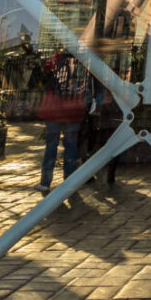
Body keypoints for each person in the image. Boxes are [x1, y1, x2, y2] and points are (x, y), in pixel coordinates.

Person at [37, 49, 89, 193]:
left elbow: (45, 73)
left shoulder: (57, 58)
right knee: (71, 147)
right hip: (74, 109)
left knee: (51, 146)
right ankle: (70, 183)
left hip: (55, 109)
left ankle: (45, 182)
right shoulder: (83, 62)